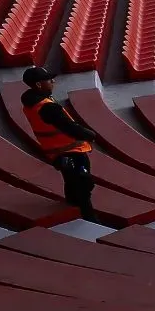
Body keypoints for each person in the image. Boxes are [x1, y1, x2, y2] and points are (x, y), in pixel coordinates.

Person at [19, 67, 102, 224]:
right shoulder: (47, 107)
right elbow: (68, 127)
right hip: (71, 151)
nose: (53, 82)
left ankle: (72, 205)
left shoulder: (32, 102)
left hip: (56, 152)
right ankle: (90, 219)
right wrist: (90, 134)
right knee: (84, 185)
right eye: (49, 80)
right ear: (38, 84)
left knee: (70, 182)